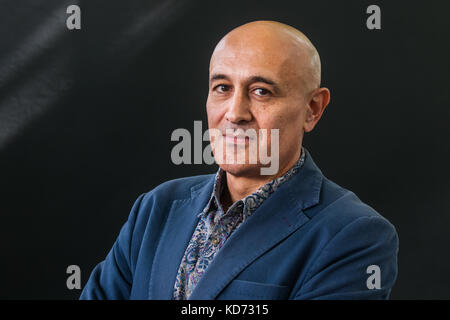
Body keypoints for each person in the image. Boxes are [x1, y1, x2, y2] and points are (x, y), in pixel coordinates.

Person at [80, 20, 398, 300]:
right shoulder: (156, 208)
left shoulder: (354, 236)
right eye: (222, 88)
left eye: (261, 91)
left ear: (312, 109)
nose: (234, 113)